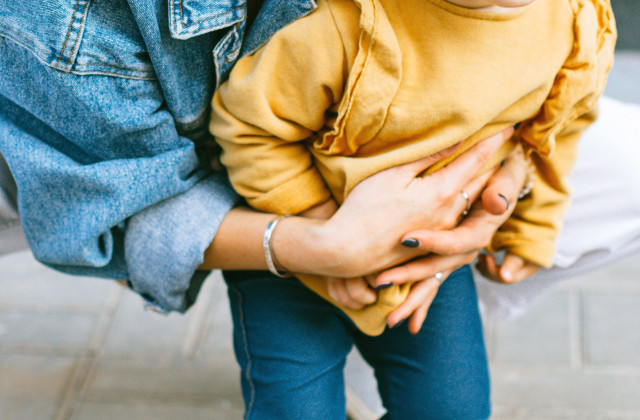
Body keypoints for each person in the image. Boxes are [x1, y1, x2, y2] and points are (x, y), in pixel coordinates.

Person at [211, 0, 616, 335]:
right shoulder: (342, 24)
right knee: (297, 406)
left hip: (425, 267)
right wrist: (327, 232)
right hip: (290, 262)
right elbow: (249, 127)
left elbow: (564, 118)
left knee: (452, 405)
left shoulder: (572, 17)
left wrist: (535, 222)